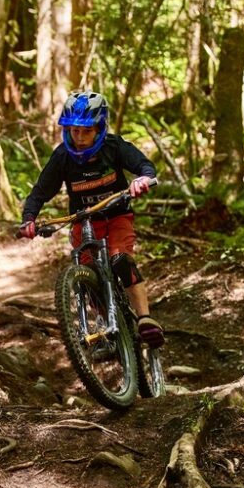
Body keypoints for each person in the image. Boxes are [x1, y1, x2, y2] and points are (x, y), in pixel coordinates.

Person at [19, 90, 165, 348]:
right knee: (88, 274)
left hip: (117, 215)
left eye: (86, 131)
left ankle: (145, 318)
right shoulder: (63, 157)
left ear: (99, 129)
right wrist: (29, 218)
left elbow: (144, 165)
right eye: (74, 130)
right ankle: (106, 325)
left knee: (120, 259)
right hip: (83, 221)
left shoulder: (114, 147)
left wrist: (142, 179)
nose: (80, 137)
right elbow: (41, 191)